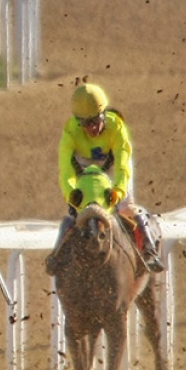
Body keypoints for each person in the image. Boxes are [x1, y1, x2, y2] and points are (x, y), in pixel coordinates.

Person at [45, 82, 164, 274]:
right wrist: (71, 194)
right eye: (85, 123)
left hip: (112, 167)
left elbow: (123, 165)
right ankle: (57, 254)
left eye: (94, 120)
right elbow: (65, 169)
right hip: (84, 172)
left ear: (103, 114)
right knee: (77, 214)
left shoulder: (116, 127)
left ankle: (149, 251)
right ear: (78, 121)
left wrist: (118, 190)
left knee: (125, 207)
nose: (91, 127)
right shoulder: (70, 132)